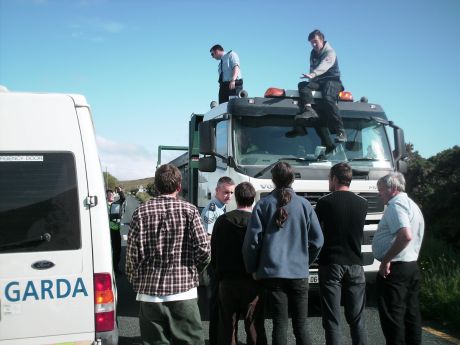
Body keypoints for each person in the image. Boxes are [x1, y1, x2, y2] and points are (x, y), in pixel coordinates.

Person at [126, 164, 210, 345]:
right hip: (183, 293)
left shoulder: (140, 213)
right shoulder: (190, 211)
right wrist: (194, 271)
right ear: (179, 187)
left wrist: (136, 280)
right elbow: (204, 249)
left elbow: (132, 256)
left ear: (156, 187)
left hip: (149, 294)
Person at [242, 162, 324, 345]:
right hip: (299, 274)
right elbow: (318, 241)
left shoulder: (262, 205)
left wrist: (252, 268)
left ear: (272, 180)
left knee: (280, 324)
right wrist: (306, 262)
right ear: (293, 179)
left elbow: (252, 243)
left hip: (273, 275)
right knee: (301, 326)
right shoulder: (305, 205)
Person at [315, 162, 368, 345]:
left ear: (335, 179)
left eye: (330, 178)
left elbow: (317, 233)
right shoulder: (363, 203)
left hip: (330, 263)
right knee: (357, 319)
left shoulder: (324, 202)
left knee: (332, 319)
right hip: (355, 264)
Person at [372, 172, 425, 345]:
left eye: (381, 190)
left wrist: (386, 260)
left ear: (393, 188)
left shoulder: (396, 205)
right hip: (411, 266)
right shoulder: (413, 205)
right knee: (411, 314)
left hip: (396, 269)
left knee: (393, 318)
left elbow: (405, 235)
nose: (379, 194)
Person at [211, 182, 267, 345]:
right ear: (253, 198)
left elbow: (214, 251)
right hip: (253, 282)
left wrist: (217, 274)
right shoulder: (258, 222)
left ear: (236, 198)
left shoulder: (222, 221)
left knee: (227, 328)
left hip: (227, 281)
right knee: (255, 327)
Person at [293, 29, 346, 142]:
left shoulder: (330, 52)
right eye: (311, 42)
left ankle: (340, 131)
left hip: (332, 80)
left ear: (322, 40)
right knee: (303, 86)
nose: (314, 44)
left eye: (316, 41)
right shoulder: (313, 53)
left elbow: (324, 65)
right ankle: (309, 109)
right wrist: (310, 78)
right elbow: (312, 67)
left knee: (327, 98)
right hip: (319, 81)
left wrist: (313, 74)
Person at [201, 176, 236, 345]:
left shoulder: (222, 207)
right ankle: (215, 340)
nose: (229, 196)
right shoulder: (212, 209)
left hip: (218, 261)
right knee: (215, 304)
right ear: (216, 191)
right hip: (213, 261)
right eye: (225, 192)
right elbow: (208, 238)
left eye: (231, 193)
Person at [106, 188, 124, 274]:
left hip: (116, 230)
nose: (112, 195)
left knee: (118, 251)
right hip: (108, 231)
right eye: (110, 194)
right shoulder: (103, 206)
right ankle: (111, 269)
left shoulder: (115, 204)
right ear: (106, 196)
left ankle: (115, 268)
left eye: (113, 194)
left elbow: (123, 198)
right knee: (110, 251)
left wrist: (120, 191)